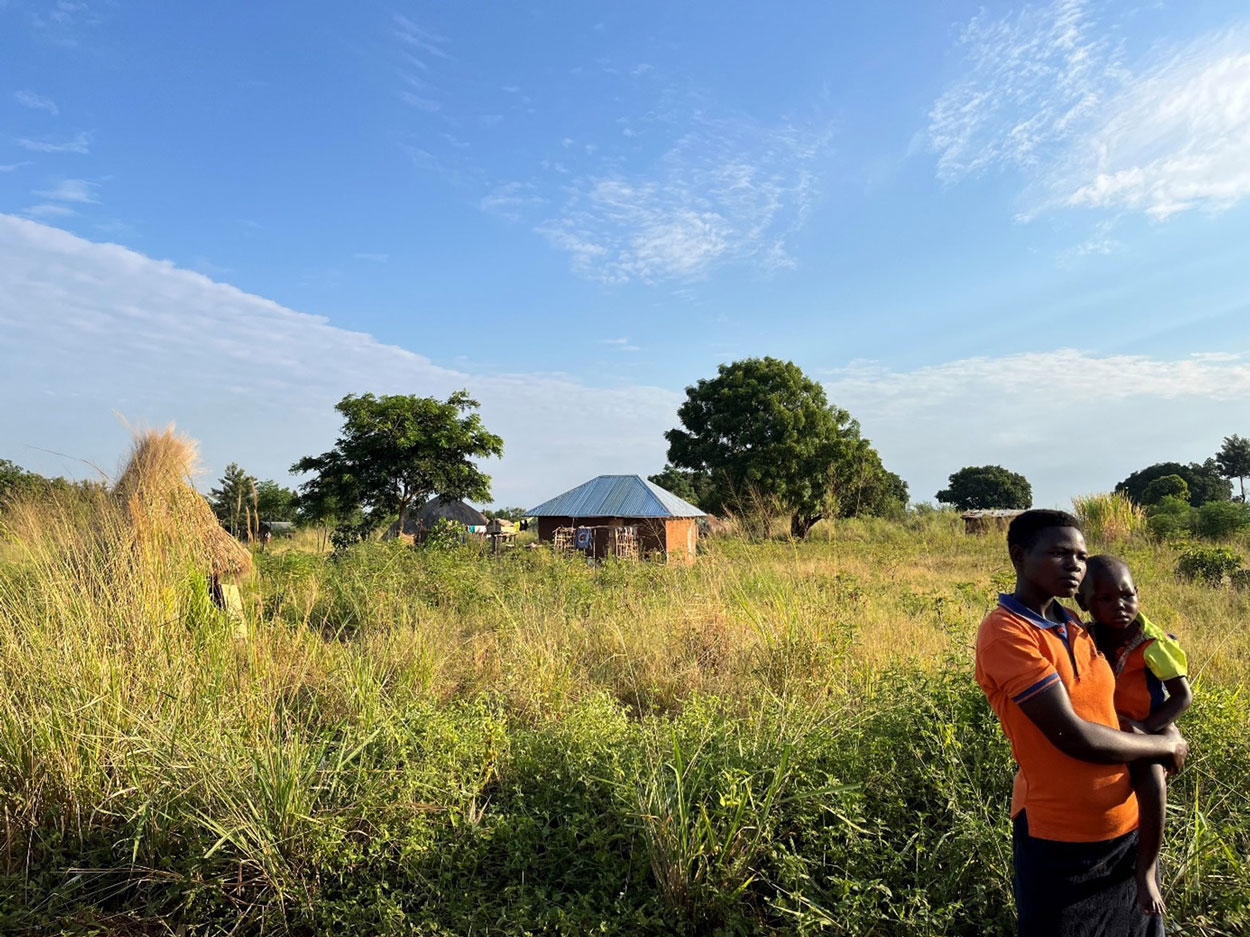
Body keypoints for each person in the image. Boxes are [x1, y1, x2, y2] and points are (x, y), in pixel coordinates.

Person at [974, 509, 1188, 937]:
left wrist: (1163, 716)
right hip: (1061, 841)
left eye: (1081, 556)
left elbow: (1113, 702)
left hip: (1128, 830)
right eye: (1058, 553)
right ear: (1019, 557)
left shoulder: (1074, 623)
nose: (1074, 564)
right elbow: (1071, 735)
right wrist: (1163, 746)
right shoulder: (1007, 633)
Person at [1077, 554, 1192, 917]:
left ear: (1138, 594)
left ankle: (1146, 871)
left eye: (1127, 596)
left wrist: (1148, 729)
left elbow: (1182, 696)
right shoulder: (1088, 635)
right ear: (1085, 603)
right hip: (1109, 725)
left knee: (1150, 783)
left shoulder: (1152, 642)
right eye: (1106, 599)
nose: (1120, 606)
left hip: (1148, 726)